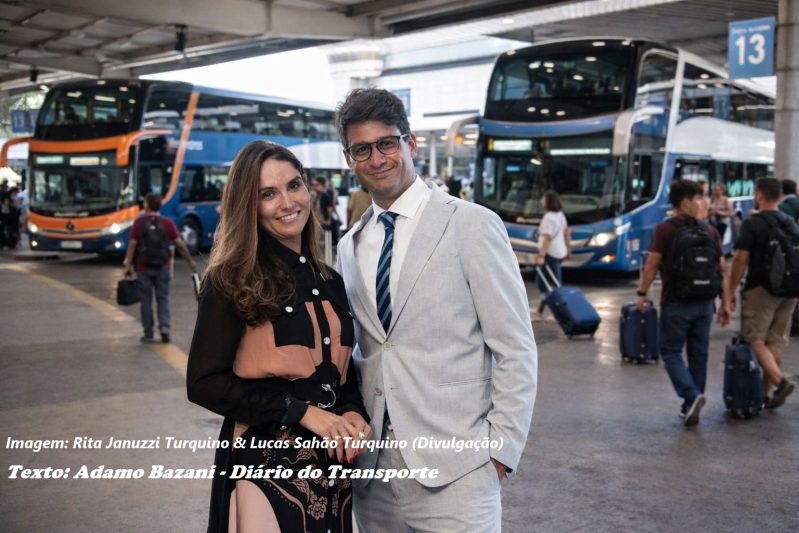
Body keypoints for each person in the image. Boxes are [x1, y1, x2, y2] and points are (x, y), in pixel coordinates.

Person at [334, 88, 537, 532]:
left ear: (410, 143)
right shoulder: (350, 246)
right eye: (361, 149)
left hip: (459, 471)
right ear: (348, 159)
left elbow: (515, 347)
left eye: (387, 143)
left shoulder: (471, 224)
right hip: (373, 473)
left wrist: (500, 452)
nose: (376, 158)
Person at [186, 141, 371, 533]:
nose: (288, 202)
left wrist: (353, 411)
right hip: (264, 467)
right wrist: (302, 412)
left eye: (294, 185)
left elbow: (340, 375)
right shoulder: (230, 280)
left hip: (332, 472)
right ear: (248, 205)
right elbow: (204, 383)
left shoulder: (329, 279)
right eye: (267, 194)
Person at [637, 179, 730, 426]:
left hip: (676, 302)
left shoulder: (665, 229)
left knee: (670, 351)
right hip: (705, 303)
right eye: (698, 198)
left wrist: (642, 293)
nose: (702, 202)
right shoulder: (710, 230)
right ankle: (691, 405)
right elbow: (722, 269)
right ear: (686, 202)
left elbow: (652, 264)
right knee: (699, 355)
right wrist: (726, 302)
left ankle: (691, 396)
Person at [722, 177, 797, 408]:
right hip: (789, 291)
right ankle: (765, 394)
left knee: (754, 339)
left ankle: (780, 382)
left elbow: (740, 260)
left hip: (760, 290)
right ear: (780, 196)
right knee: (773, 341)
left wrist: (729, 293)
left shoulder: (753, 224)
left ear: (760, 195)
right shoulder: (789, 222)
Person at [123, 193, 196, 343]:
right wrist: (190, 261)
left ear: (146, 205)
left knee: (146, 300)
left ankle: (148, 333)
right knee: (163, 298)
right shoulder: (167, 223)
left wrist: (128, 265)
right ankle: (164, 328)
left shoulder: (139, 223)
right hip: (163, 266)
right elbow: (180, 244)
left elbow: (132, 244)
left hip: (143, 267)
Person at [533, 190, 571, 319]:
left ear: (548, 201)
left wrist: (541, 256)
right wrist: (568, 250)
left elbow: (547, 238)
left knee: (545, 284)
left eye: (543, 198)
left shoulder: (548, 217)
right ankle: (540, 310)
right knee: (552, 283)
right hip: (559, 252)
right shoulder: (560, 215)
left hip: (550, 253)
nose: (541, 201)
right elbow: (566, 233)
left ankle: (563, 310)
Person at [312, 176, 341, 245]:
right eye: (313, 185)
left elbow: (330, 208)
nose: (314, 187)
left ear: (323, 185)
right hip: (321, 224)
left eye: (317, 185)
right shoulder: (317, 196)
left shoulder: (325, 195)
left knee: (328, 244)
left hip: (326, 225)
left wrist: (328, 220)